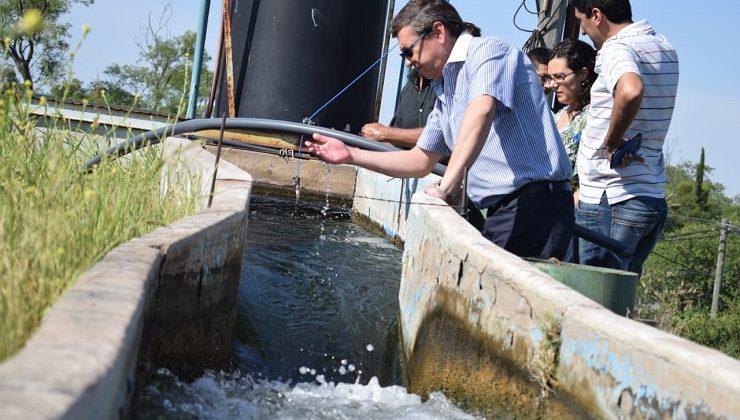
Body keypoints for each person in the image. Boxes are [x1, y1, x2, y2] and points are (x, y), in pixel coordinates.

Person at [307, 0, 573, 260]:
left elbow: (481, 112)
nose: (408, 62)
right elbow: (420, 159)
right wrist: (350, 155)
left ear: (438, 32)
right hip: (506, 209)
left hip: (536, 205)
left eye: (408, 51)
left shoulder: (490, 51)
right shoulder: (446, 88)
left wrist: (446, 187)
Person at [572, 0, 679, 273]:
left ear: (596, 15)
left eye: (581, 23)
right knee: (618, 297)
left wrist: (611, 141)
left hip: (612, 197)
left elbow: (631, 90)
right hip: (648, 194)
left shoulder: (616, 48)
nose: (582, 33)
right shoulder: (662, 45)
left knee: (593, 297)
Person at [546, 39, 597, 198]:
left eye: (560, 77)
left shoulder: (595, 115)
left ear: (583, 74)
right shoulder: (559, 115)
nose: (553, 85)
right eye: (550, 78)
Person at [360, 69, 435, 149]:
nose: (408, 62)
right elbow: (396, 143)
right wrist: (374, 136)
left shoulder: (445, 87)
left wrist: (384, 133)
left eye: (411, 55)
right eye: (404, 56)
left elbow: (439, 138)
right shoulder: (407, 89)